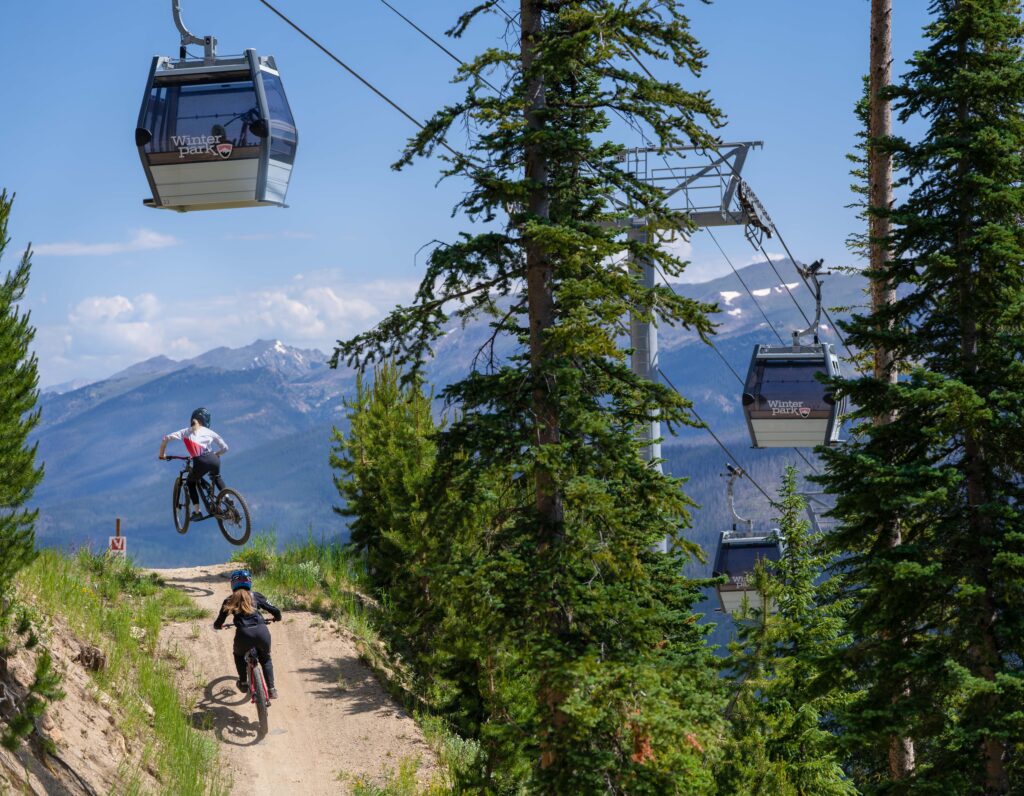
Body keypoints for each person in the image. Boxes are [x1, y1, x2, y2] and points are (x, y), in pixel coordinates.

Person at [213, 569, 282, 698]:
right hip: (262, 632)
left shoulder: (229, 600)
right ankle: (272, 689)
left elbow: (219, 621)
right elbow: (275, 610)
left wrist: (218, 626)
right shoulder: (256, 596)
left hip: (243, 635)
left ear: (232, 584)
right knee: (265, 658)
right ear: (249, 582)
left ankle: (244, 683)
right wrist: (277, 618)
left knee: (239, 655)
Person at [158, 407, 228, 520]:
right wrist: (217, 453)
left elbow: (165, 439)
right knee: (217, 477)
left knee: (191, 483)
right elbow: (225, 448)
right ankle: (228, 498)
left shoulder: (185, 432)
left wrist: (162, 455)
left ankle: (197, 512)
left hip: (200, 461)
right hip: (214, 459)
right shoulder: (210, 432)